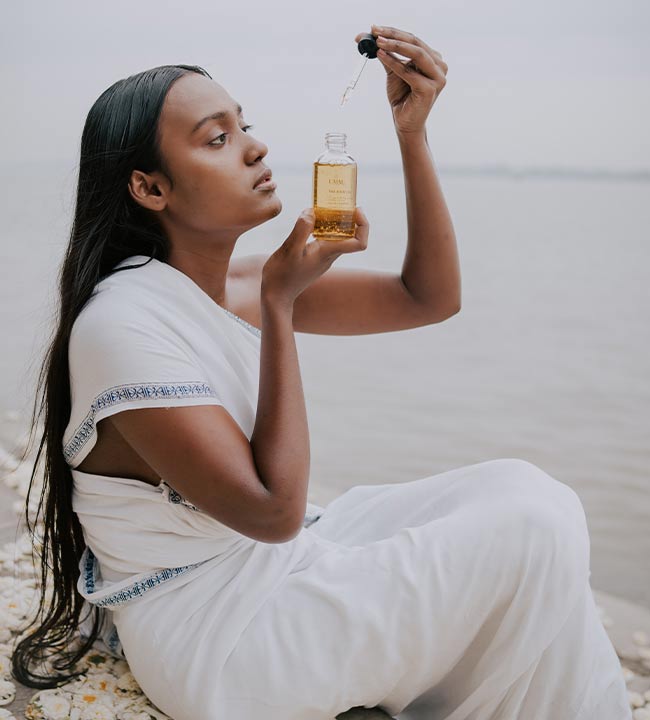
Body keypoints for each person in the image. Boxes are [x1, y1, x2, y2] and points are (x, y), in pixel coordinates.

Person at [11, 23, 631, 720]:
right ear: (150, 188)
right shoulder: (121, 325)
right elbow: (272, 514)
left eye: (244, 125)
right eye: (217, 139)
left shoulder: (236, 284)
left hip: (280, 563)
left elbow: (428, 298)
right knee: (533, 529)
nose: (256, 146)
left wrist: (412, 134)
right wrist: (281, 304)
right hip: (223, 637)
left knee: (526, 491)